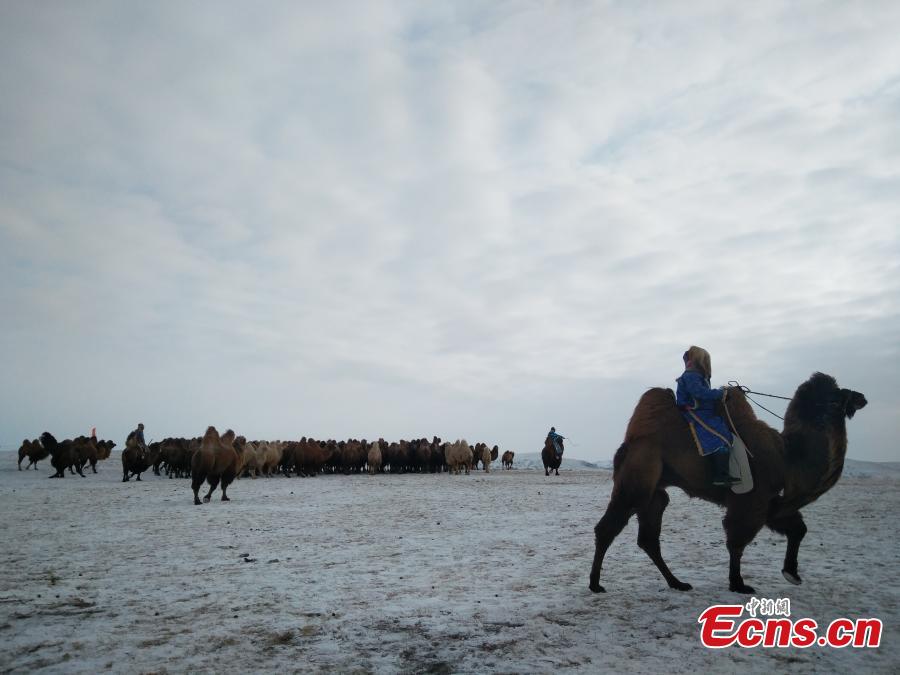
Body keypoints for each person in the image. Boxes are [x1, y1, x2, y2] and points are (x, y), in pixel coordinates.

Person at [675, 346, 739, 486]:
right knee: (719, 437)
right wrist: (721, 393)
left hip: (705, 412)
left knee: (722, 432)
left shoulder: (695, 376)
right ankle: (720, 475)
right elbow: (700, 393)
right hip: (696, 413)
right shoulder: (691, 376)